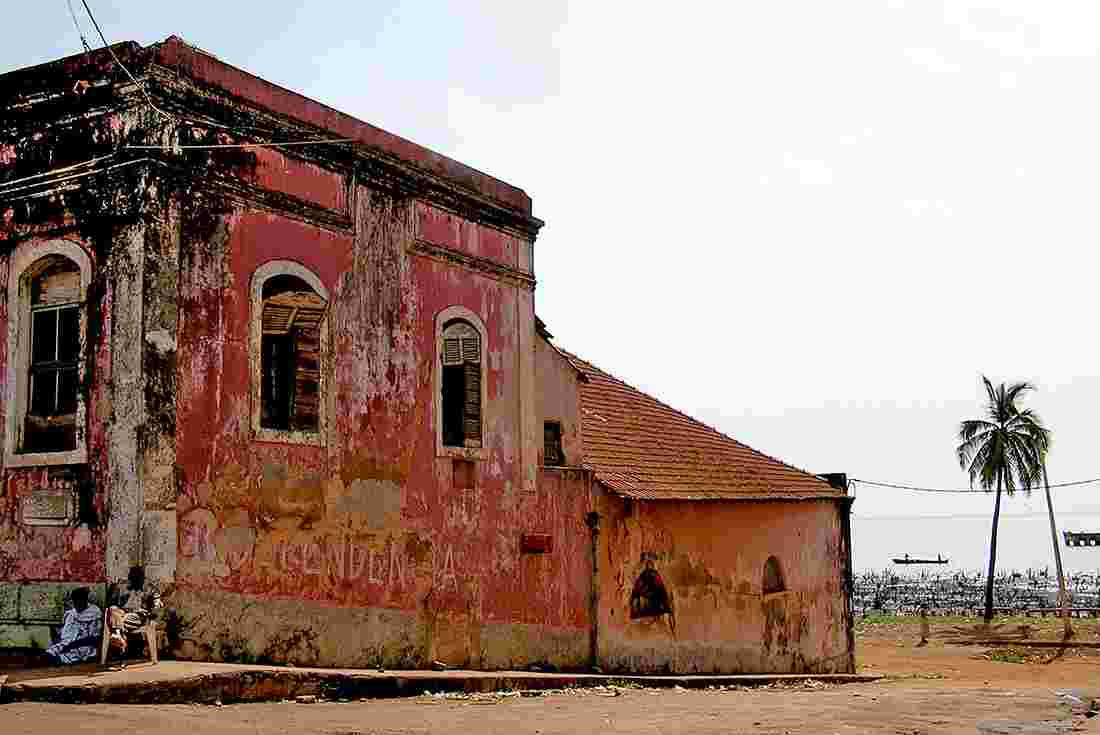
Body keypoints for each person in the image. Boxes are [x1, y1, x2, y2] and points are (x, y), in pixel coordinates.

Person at [105, 566, 162, 657]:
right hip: (122, 613)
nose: (134, 580)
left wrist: (155, 609)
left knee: (122, 619)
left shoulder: (149, 588)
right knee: (112, 609)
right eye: (132, 578)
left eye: (137, 578)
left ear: (142, 578)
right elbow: (110, 603)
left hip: (137, 615)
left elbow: (157, 600)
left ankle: (117, 634)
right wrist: (114, 588)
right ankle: (119, 635)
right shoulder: (122, 587)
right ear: (129, 577)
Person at [44, 587, 102, 665]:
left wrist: (71, 645)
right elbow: (64, 632)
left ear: (84, 600)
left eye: (79, 601)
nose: (77, 604)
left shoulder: (94, 613)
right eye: (75, 601)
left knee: (58, 658)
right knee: (46, 655)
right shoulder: (71, 613)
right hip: (65, 644)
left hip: (83, 647)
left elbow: (95, 638)